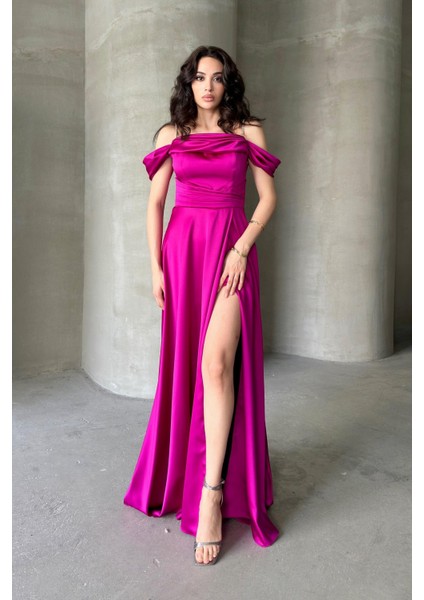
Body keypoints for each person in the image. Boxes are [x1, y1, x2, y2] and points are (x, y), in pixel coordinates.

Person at [123, 45, 281, 566]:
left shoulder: (247, 131)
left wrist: (242, 248)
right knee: (193, 369)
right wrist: (155, 269)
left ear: (227, 83)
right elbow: (155, 203)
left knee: (217, 366)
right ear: (188, 83)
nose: (207, 86)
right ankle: (198, 477)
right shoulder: (171, 135)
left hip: (232, 252)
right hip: (184, 254)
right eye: (199, 77)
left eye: (216, 77)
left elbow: (268, 198)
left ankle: (212, 494)